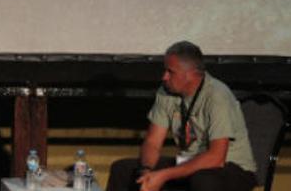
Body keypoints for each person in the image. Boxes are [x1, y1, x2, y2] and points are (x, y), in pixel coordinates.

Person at [106, 41, 257, 191]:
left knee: (204, 180)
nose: (164, 77)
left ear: (190, 74)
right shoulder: (166, 92)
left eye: (170, 72)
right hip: (190, 162)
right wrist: (146, 171)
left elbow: (216, 158)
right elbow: (152, 142)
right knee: (123, 169)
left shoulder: (217, 96)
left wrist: (164, 175)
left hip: (232, 168)